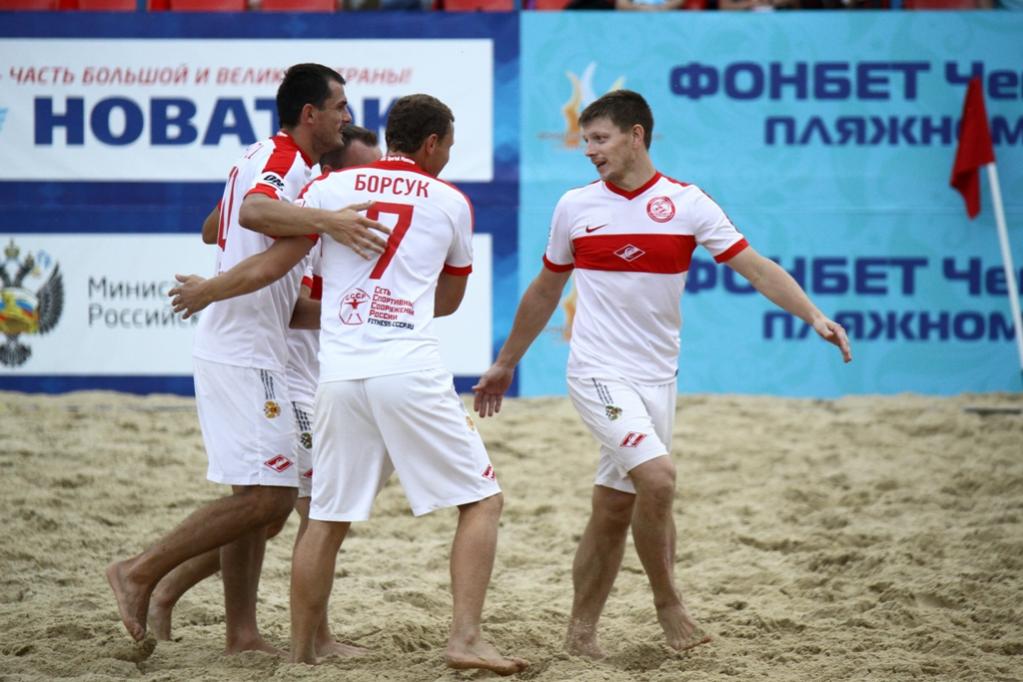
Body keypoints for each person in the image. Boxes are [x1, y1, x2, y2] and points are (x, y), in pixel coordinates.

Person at [473, 89, 852, 659]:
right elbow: (547, 289)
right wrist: (506, 363)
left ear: (636, 136)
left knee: (614, 506)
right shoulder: (575, 206)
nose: (589, 150)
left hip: (658, 378)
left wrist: (814, 315)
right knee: (659, 479)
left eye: (599, 139)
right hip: (597, 371)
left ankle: (580, 635)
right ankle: (668, 603)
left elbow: (755, 268)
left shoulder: (687, 202)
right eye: (585, 140)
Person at [106, 64, 386, 653]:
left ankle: (239, 631)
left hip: (259, 348)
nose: (347, 115)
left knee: (264, 502)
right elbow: (252, 215)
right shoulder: (286, 164)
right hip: (244, 351)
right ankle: (139, 572)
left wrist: (276, 236)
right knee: (269, 500)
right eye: (340, 105)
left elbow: (219, 225)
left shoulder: (268, 160)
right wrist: (324, 222)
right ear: (309, 114)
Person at [287, 94, 528, 675]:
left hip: (339, 372)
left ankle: (299, 655)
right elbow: (448, 300)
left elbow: (281, 246)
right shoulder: (449, 201)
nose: (447, 156)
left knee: (326, 517)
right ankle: (466, 638)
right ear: (431, 144)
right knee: (482, 500)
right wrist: (403, 299)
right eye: (448, 146)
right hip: (407, 367)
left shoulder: (329, 188)